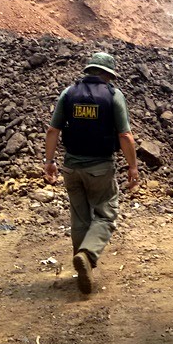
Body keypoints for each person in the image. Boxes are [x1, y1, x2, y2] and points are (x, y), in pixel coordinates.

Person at [44, 52, 138, 294]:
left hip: (71, 168)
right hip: (100, 168)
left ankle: (82, 267)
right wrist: (133, 166)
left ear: (89, 70)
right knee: (106, 214)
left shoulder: (68, 93)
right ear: (108, 75)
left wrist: (49, 161)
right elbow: (124, 135)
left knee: (80, 218)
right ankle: (87, 255)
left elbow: (53, 130)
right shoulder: (113, 95)